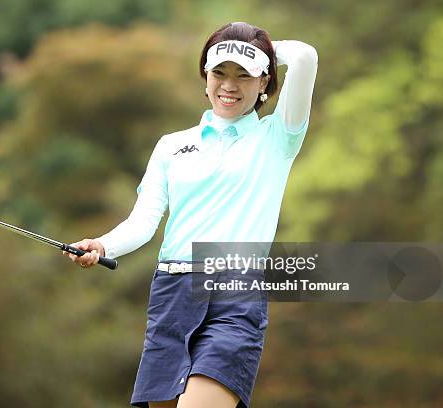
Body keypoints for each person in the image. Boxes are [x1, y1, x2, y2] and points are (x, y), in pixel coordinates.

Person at [64, 22, 318, 408]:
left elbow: (305, 56)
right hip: (171, 294)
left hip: (235, 294)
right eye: (219, 72)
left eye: (244, 75)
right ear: (205, 77)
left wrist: (257, 47)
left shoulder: (278, 138)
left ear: (265, 82)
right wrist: (102, 244)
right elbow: (144, 221)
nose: (229, 86)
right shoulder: (172, 146)